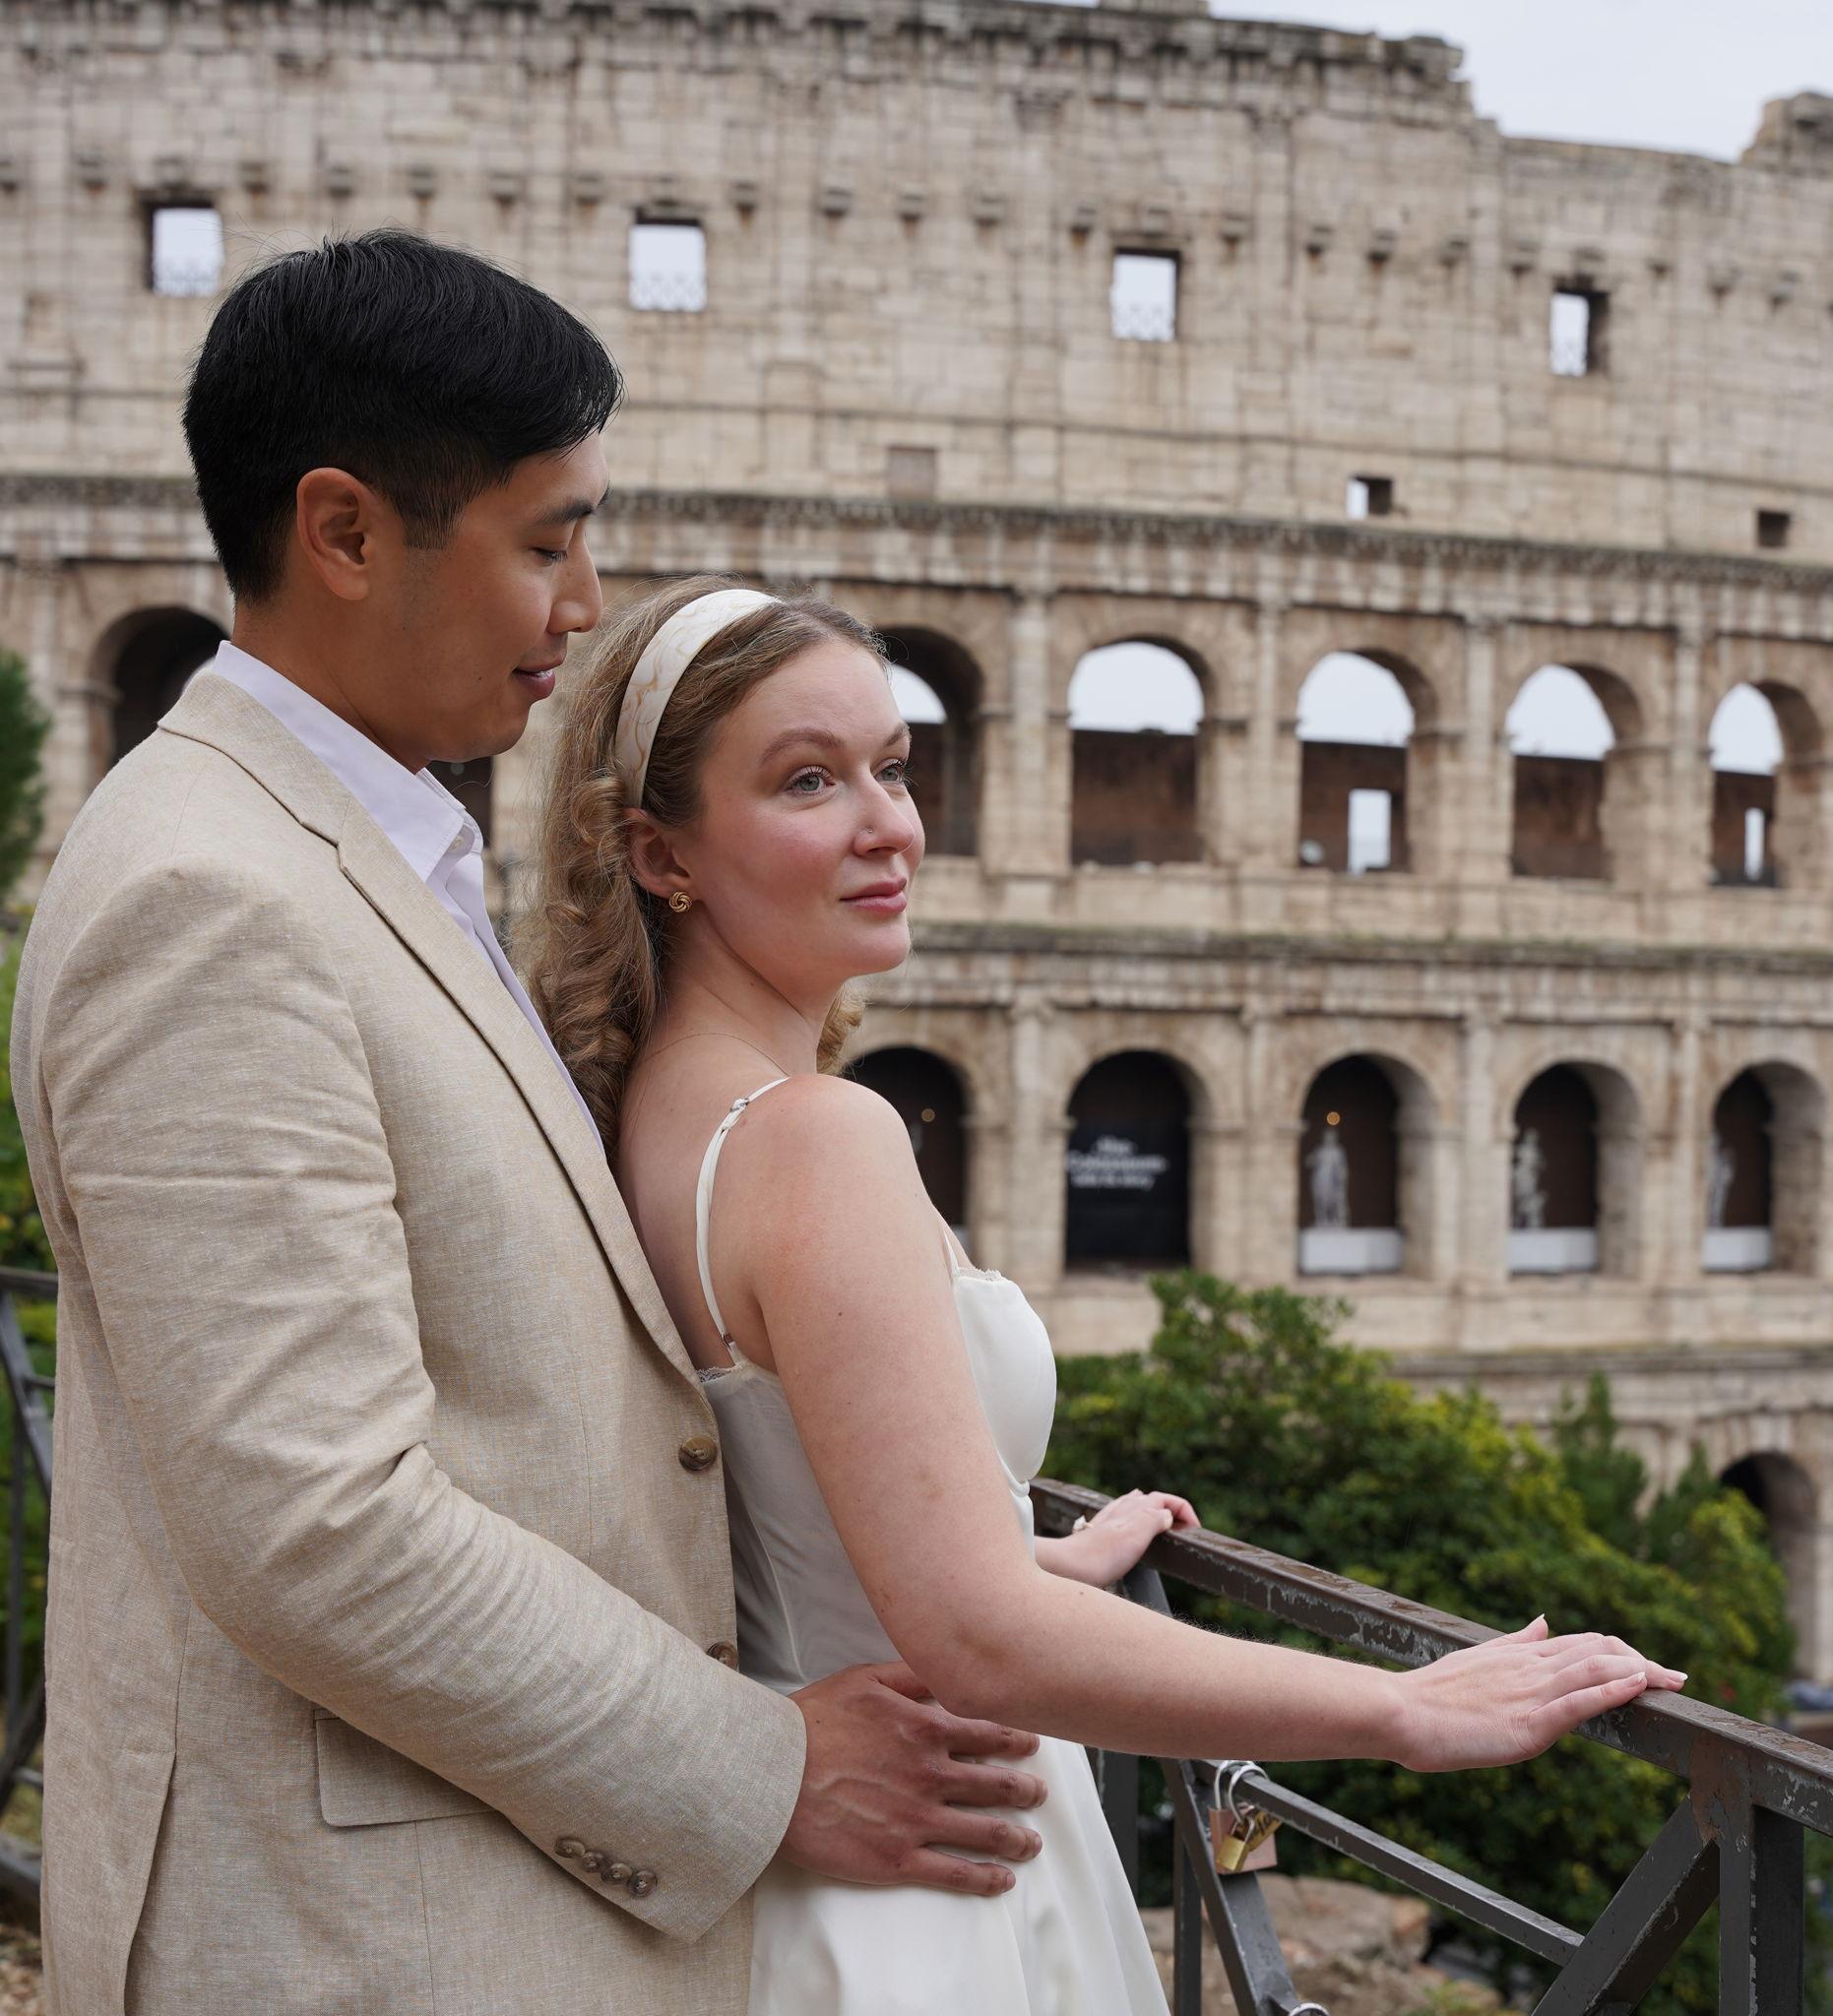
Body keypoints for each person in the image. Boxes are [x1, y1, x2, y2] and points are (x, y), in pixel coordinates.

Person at [9, 233, 1052, 2013]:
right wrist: (764, 1761)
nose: (582, 609)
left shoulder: (359, 843)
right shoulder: (211, 892)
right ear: (344, 533)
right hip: (382, 1934)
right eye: (545, 541)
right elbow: (314, 1521)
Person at [523, 575, 1690, 2013]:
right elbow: (973, 1638)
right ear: (662, 854)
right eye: (806, 781)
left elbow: (790, 1519)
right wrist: (1402, 1707)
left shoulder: (645, 1115)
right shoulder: (812, 1138)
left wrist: (1027, 1544)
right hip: (937, 1881)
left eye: (892, 766)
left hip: (820, 1873)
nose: (887, 822)